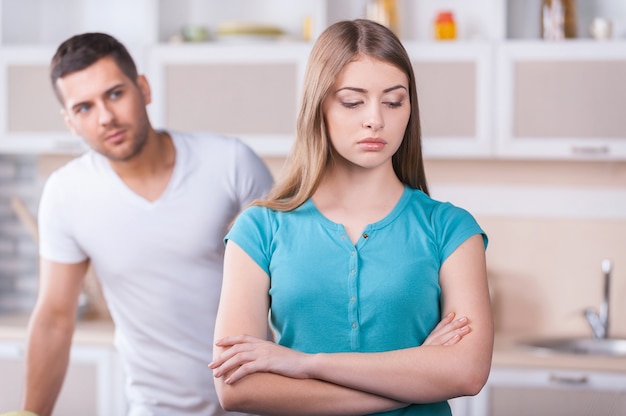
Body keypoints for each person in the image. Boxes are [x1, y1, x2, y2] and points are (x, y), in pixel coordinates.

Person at [210, 19, 493, 416]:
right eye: (352, 101)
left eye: (393, 101)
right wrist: (415, 378)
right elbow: (236, 388)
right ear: (318, 106)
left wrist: (305, 364)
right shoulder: (258, 229)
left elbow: (467, 373)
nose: (375, 119)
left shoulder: (451, 229)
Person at [22, 33, 273, 416]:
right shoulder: (66, 193)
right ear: (70, 122)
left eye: (115, 94)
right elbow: (55, 319)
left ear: (143, 88)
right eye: (84, 108)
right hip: (154, 407)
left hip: (256, 403)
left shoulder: (230, 164)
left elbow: (294, 281)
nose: (105, 117)